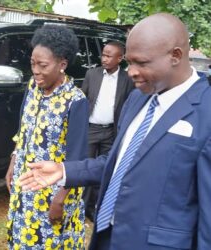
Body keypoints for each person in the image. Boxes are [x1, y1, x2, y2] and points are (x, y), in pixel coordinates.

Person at [19, 13, 211, 250]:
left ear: (176, 56)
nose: (130, 72)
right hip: (107, 237)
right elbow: (119, 164)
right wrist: (65, 170)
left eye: (141, 63)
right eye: (129, 62)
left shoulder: (206, 113)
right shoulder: (137, 99)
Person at [5, 24, 89, 249]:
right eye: (33, 63)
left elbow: (78, 159)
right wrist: (14, 161)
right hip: (26, 182)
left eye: (43, 65)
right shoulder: (33, 87)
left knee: (50, 241)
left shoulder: (76, 100)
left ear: (62, 64)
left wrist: (59, 200)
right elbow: (23, 128)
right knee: (23, 237)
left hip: (55, 190)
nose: (36, 71)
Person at [81, 41, 134, 221]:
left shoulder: (127, 80)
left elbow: (128, 106)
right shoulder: (92, 74)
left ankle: (92, 207)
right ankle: (80, 205)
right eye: (103, 54)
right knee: (85, 168)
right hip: (91, 130)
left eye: (109, 56)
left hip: (111, 132)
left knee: (103, 171)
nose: (104, 59)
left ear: (120, 58)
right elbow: (83, 100)